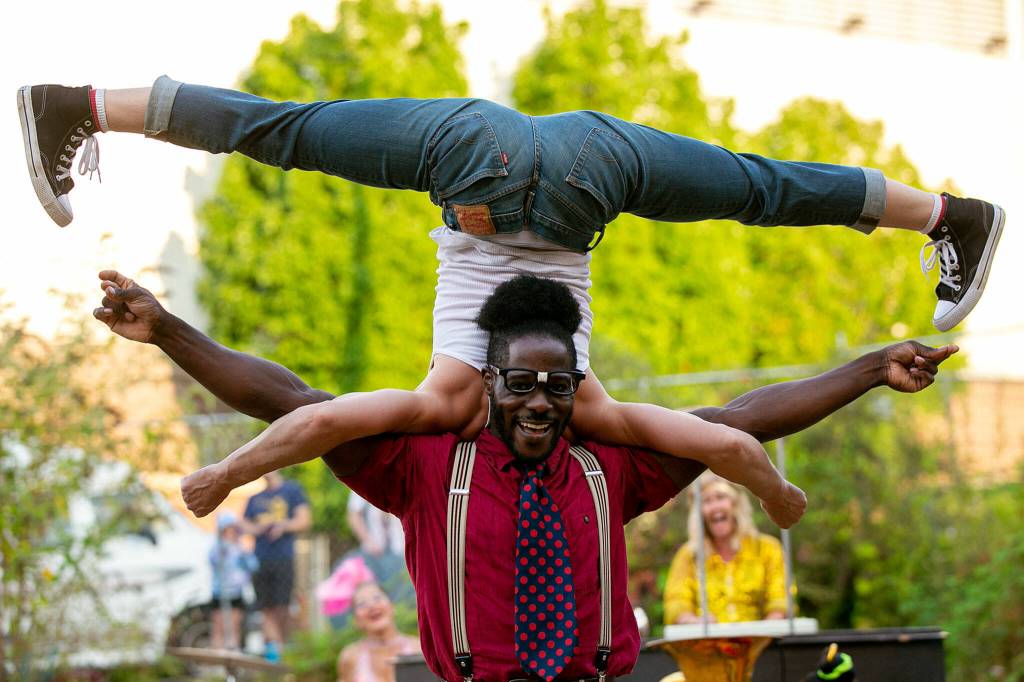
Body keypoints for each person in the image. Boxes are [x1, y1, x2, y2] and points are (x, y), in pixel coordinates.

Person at [21, 78, 1001, 525]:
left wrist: (224, 476)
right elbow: (733, 437)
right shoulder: (494, 407)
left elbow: (305, 415)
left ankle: (948, 217)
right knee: (286, 127)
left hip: (573, 169)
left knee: (758, 187)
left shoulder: (542, 409)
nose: (536, 410)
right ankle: (944, 216)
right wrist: (217, 478)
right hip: (496, 168)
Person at [91, 271, 955, 681]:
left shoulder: (611, 464)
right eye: (520, 383)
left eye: (556, 383)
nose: (539, 401)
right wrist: (167, 330)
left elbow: (740, 421)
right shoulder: (423, 464)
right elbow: (289, 401)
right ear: (490, 383)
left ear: (575, 387)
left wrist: (873, 367)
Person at [663, 472, 789, 625]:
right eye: (706, 500)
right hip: (706, 645)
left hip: (760, 644)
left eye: (721, 497)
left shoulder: (768, 548)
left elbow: (781, 599)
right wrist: (693, 621)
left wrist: (764, 631)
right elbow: (676, 602)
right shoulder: (688, 555)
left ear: (736, 504)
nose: (715, 507)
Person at [239, 470, 312, 661]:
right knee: (265, 607)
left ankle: (280, 646)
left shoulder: (292, 490)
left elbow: (304, 520)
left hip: (284, 558)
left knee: (283, 606)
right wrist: (259, 528)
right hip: (260, 559)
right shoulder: (254, 498)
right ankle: (276, 650)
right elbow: (243, 525)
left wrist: (282, 526)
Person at [336, 581, 420, 682]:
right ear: (356, 621)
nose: (372, 606)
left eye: (377, 598)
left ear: (392, 606)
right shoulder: (349, 657)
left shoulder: (419, 649)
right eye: (362, 604)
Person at [208, 511, 258, 650]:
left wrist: (244, 553)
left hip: (236, 593)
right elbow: (214, 560)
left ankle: (233, 654)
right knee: (219, 627)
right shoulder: (218, 547)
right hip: (220, 592)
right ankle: (218, 655)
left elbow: (252, 566)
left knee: (234, 626)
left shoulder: (240, 549)